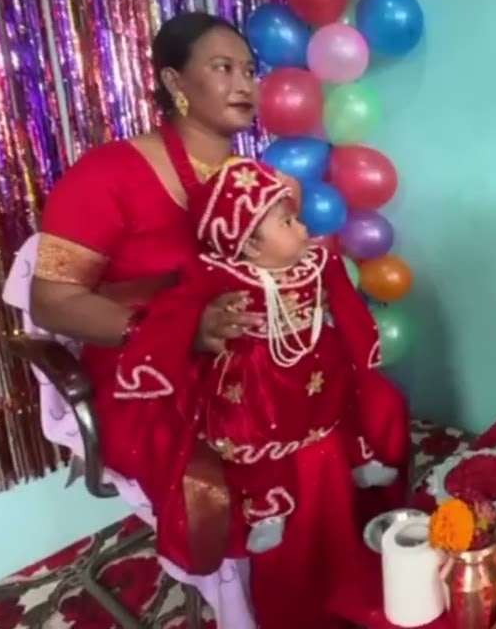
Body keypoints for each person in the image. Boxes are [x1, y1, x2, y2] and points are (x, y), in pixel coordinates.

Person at [28, 12, 411, 613]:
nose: (245, 85)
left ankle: (366, 589)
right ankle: (293, 611)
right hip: (151, 373)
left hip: (259, 362)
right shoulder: (107, 172)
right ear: (175, 81)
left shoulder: (256, 178)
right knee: (294, 451)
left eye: (250, 71)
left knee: (372, 404)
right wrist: (178, 334)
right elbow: (51, 301)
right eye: (223, 68)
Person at [115, 158, 401, 626]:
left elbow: (346, 301)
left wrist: (361, 341)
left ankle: (359, 457)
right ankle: (267, 505)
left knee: (341, 404)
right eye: (287, 221)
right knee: (255, 437)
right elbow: (177, 308)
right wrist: (171, 345)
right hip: (258, 382)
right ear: (248, 243)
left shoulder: (318, 261)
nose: (303, 226)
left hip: (318, 369)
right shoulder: (223, 275)